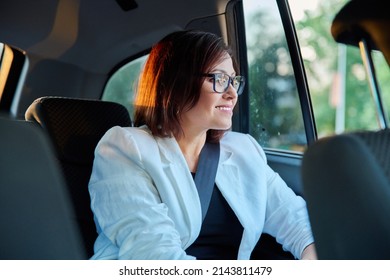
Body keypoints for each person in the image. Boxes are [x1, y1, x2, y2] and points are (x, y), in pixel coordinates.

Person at [88, 30, 317, 260]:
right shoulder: (125, 148)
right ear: (176, 83)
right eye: (218, 79)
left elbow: (294, 218)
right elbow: (155, 256)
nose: (231, 93)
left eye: (233, 81)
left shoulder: (244, 149)